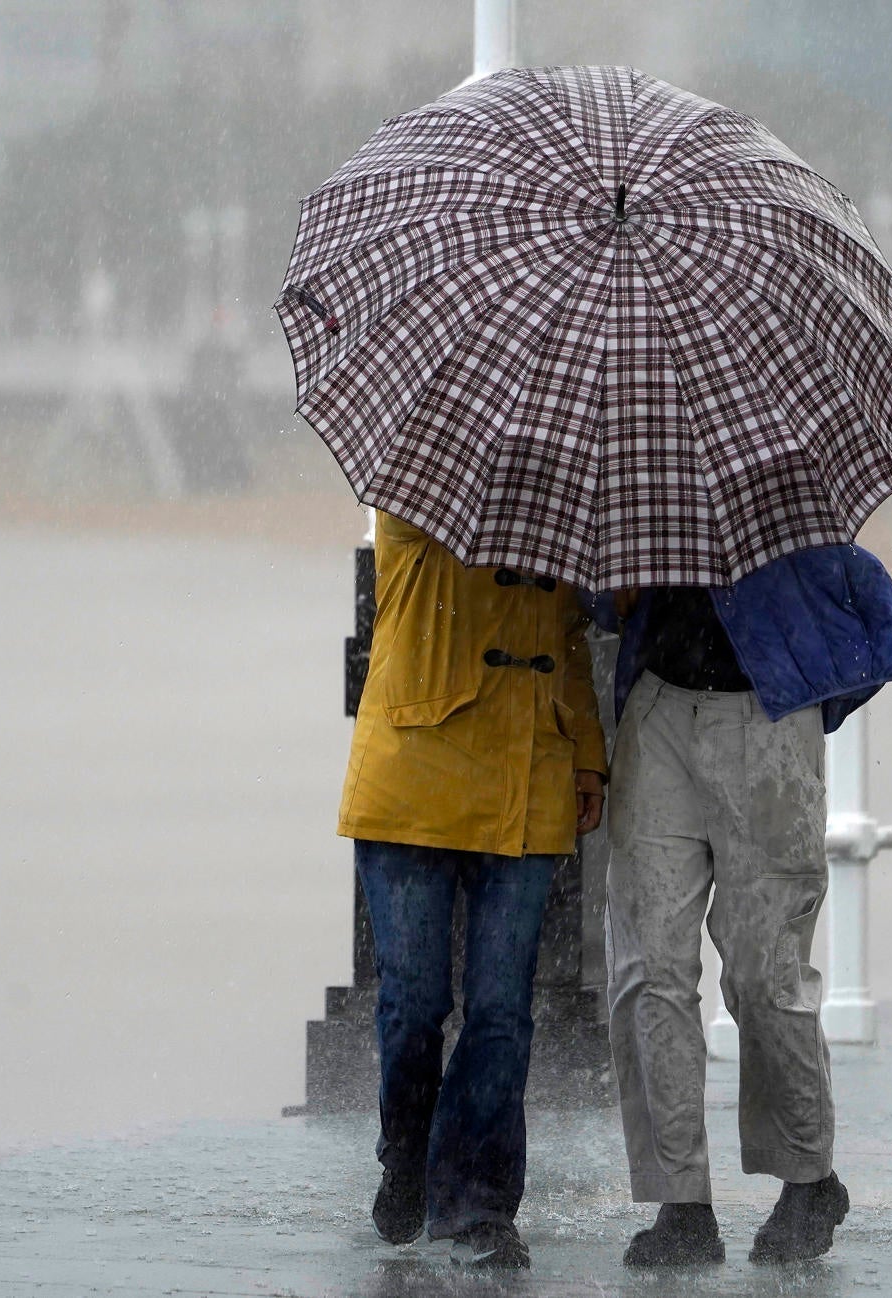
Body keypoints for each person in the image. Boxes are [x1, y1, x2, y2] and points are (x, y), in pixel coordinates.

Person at [598, 544, 892, 1267]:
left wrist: (806, 690)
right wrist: (612, 596)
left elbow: (883, 629)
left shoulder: (779, 482)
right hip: (657, 710)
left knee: (763, 976)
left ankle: (808, 1175)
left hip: (769, 719)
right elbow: (597, 604)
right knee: (648, 968)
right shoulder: (642, 488)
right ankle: (681, 1203)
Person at [339, 509, 607, 1270]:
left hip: (528, 775)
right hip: (414, 777)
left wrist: (586, 751)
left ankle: (479, 1205)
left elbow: (568, 642)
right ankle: (408, 1152)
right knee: (415, 1001)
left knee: (502, 1010)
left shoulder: (570, 506)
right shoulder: (422, 493)